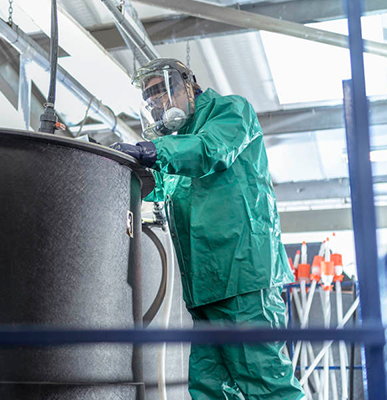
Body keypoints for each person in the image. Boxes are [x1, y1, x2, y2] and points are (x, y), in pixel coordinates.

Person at [111, 58, 304, 400]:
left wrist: (152, 151)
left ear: (188, 85)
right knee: (209, 387)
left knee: (265, 382)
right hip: (204, 286)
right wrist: (115, 170)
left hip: (244, 276)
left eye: (161, 89)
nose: (157, 101)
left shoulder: (230, 112)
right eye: (149, 96)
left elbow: (211, 150)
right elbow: (161, 185)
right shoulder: (176, 144)